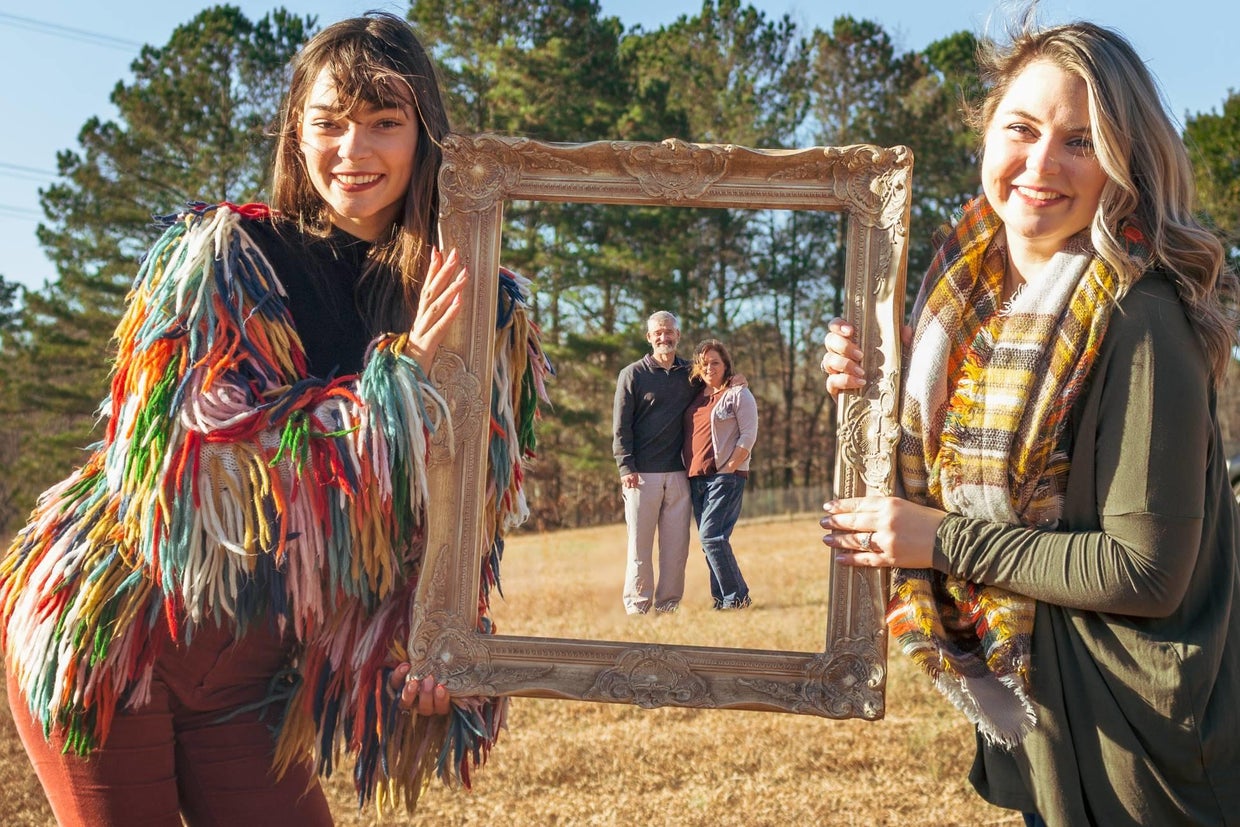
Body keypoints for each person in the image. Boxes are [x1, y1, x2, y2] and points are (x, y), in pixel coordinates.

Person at [0, 13, 548, 825]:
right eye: (328, 122)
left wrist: (429, 646)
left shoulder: (475, 302)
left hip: (250, 675)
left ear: (426, 135)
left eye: (384, 123)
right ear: (297, 131)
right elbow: (197, 481)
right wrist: (396, 388)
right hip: (115, 631)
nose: (353, 151)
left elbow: (444, 520)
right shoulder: (222, 258)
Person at [819, 13, 1240, 826]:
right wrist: (873, 390)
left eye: (1081, 141)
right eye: (1023, 128)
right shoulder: (962, 299)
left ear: (1126, 164)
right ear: (987, 132)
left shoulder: (1142, 314)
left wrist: (934, 536)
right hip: (1054, 725)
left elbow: (1145, 573)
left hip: (1147, 758)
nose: (1042, 164)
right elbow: (955, 459)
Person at [613, 310, 697, 614]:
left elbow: (719, 380)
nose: (664, 337)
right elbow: (621, 426)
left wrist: (737, 379)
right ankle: (637, 606)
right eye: (658, 333)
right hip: (641, 476)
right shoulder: (632, 374)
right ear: (649, 338)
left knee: (676, 549)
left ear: (678, 335)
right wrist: (626, 466)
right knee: (639, 547)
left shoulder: (691, 373)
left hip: (680, 475)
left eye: (669, 331)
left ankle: (668, 607)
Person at [683, 339, 757, 610]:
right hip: (697, 478)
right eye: (704, 363)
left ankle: (736, 597)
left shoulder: (738, 394)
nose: (709, 367)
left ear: (726, 365)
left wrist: (729, 467)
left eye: (715, 362)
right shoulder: (694, 394)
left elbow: (749, 435)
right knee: (711, 541)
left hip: (726, 476)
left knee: (711, 536)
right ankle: (722, 599)